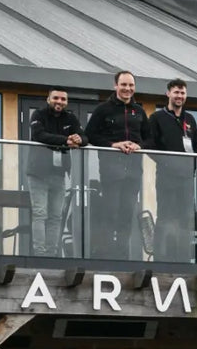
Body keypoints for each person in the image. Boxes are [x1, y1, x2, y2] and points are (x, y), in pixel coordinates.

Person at [84, 70, 148, 260]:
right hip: (111, 170)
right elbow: (90, 135)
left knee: (127, 214)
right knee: (110, 212)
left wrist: (139, 145)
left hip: (134, 171)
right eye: (124, 85)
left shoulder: (140, 111)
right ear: (115, 86)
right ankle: (106, 255)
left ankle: (122, 256)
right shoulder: (103, 109)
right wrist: (113, 145)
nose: (127, 89)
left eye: (131, 85)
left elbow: (150, 138)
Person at [141, 78, 197, 263]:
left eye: (182, 93)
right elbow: (149, 145)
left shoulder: (189, 119)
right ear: (168, 93)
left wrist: (192, 166)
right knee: (166, 217)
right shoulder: (157, 118)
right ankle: (162, 258)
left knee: (185, 218)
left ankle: (183, 259)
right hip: (167, 177)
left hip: (186, 178)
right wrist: (167, 162)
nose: (179, 96)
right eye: (176, 92)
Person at [26, 87, 83, 257]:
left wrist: (79, 139)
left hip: (59, 174)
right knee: (40, 213)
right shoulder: (38, 115)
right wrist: (66, 140)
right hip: (38, 173)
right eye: (56, 98)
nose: (59, 102)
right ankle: (40, 254)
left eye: (63, 99)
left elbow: (84, 137)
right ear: (48, 99)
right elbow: (39, 135)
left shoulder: (70, 118)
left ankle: (51, 254)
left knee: (56, 217)